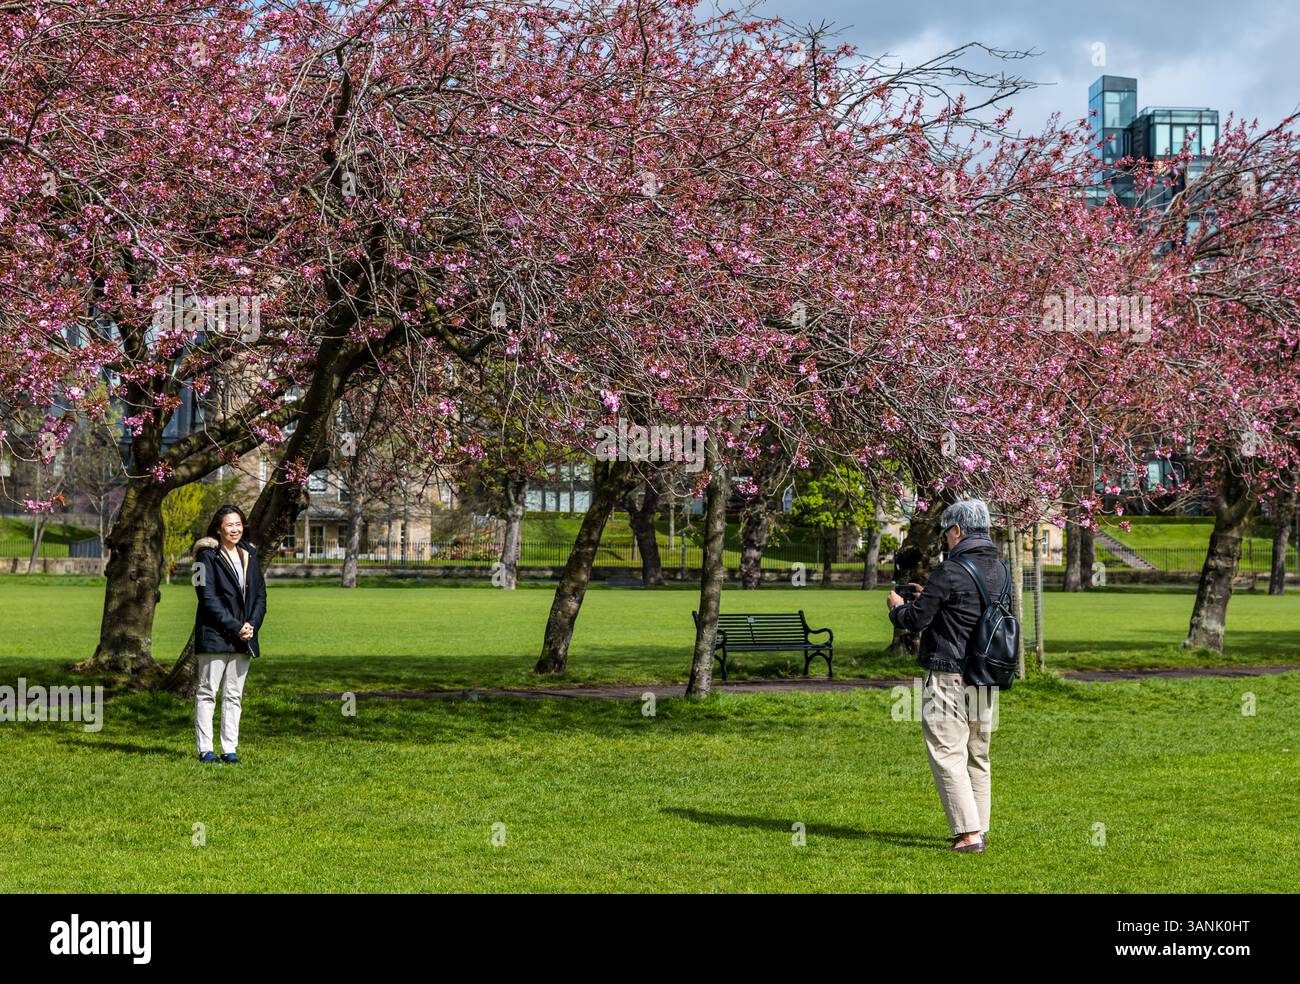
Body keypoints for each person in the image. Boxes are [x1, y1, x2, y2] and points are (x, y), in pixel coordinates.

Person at [886, 498, 1009, 854]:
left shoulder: (950, 570)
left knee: (946, 751)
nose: (944, 541)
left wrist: (898, 609)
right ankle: (979, 827)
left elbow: (916, 621)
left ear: (957, 530)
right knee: (977, 754)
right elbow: (973, 614)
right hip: (985, 674)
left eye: (945, 534)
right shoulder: (1000, 570)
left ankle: (968, 835)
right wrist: (932, 598)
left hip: (948, 673)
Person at [191, 504, 266, 765]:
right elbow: (207, 598)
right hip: (214, 634)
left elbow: (260, 596)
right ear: (218, 528)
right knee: (208, 692)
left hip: (244, 636)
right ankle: (205, 749)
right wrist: (235, 625)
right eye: (229, 525)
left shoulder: (250, 554)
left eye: (238, 524)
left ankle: (229, 749)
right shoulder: (206, 557)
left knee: (234, 695)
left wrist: (251, 625)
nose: (234, 529)